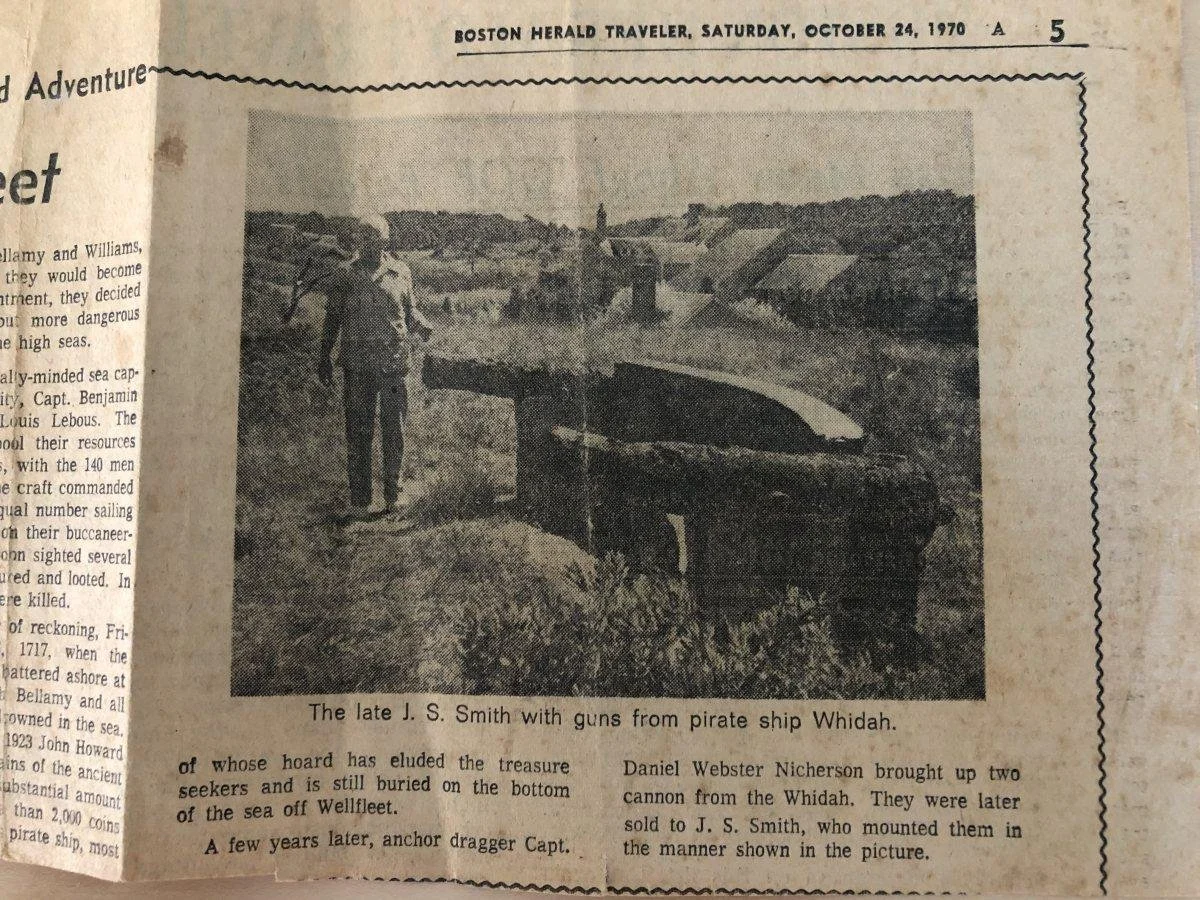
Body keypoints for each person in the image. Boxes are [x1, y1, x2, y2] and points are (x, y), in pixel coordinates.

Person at [316, 217, 432, 519]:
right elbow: (332, 319)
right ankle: (360, 499)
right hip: (357, 366)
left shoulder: (401, 271)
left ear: (385, 241)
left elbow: (408, 310)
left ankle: (394, 493)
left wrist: (421, 324)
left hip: (393, 364)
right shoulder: (345, 275)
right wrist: (324, 356)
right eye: (363, 237)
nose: (367, 243)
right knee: (358, 432)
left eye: (374, 238)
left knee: (395, 430)